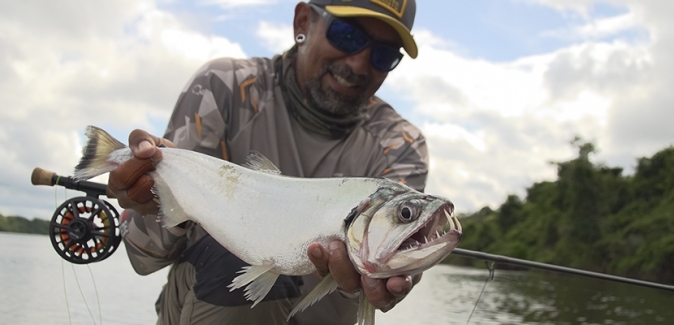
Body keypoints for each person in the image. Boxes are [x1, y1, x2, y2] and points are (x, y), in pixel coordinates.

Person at [108, 0, 428, 324]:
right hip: (210, 308)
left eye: (384, 54)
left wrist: (400, 270)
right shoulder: (224, 87)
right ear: (303, 22)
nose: (360, 64)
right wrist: (156, 199)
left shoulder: (401, 145)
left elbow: (388, 275)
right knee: (229, 263)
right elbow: (144, 259)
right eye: (347, 35)